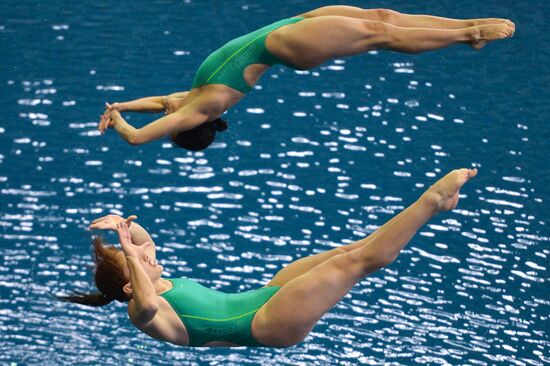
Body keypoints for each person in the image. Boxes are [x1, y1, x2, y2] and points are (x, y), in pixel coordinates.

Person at [61, 168, 477, 347]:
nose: (148, 255)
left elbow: (143, 240)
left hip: (266, 294)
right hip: (265, 324)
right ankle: (432, 203)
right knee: (357, 264)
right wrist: (130, 255)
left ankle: (437, 204)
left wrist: (122, 229)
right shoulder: (141, 310)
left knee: (346, 251)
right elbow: (149, 300)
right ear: (131, 283)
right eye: (136, 260)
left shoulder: (147, 276)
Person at [97, 6, 514, 151]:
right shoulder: (203, 106)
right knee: (379, 36)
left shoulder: (187, 101)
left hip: (287, 26)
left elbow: (157, 104)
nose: (167, 107)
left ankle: (467, 25)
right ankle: (469, 35)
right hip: (288, 45)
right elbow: (138, 137)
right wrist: (118, 124)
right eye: (173, 120)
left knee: (382, 18)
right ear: (188, 126)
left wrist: (118, 106)